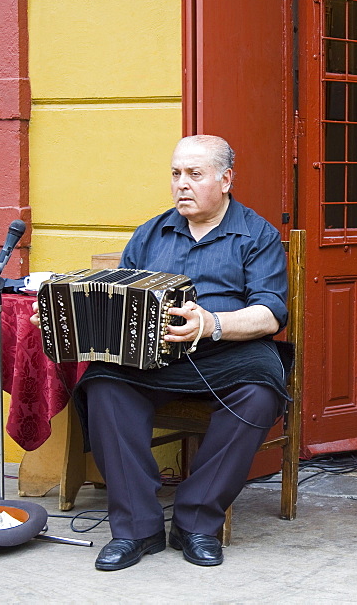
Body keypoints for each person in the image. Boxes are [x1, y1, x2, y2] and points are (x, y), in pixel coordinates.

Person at [33, 134, 290, 570]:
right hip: (152, 355)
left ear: (226, 179)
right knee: (103, 385)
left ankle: (196, 521)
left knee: (261, 393)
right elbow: (115, 299)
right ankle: (137, 528)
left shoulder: (257, 234)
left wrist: (211, 323)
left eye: (194, 174)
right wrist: (65, 317)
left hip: (226, 349)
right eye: (175, 174)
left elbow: (271, 313)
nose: (181, 185)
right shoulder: (151, 233)